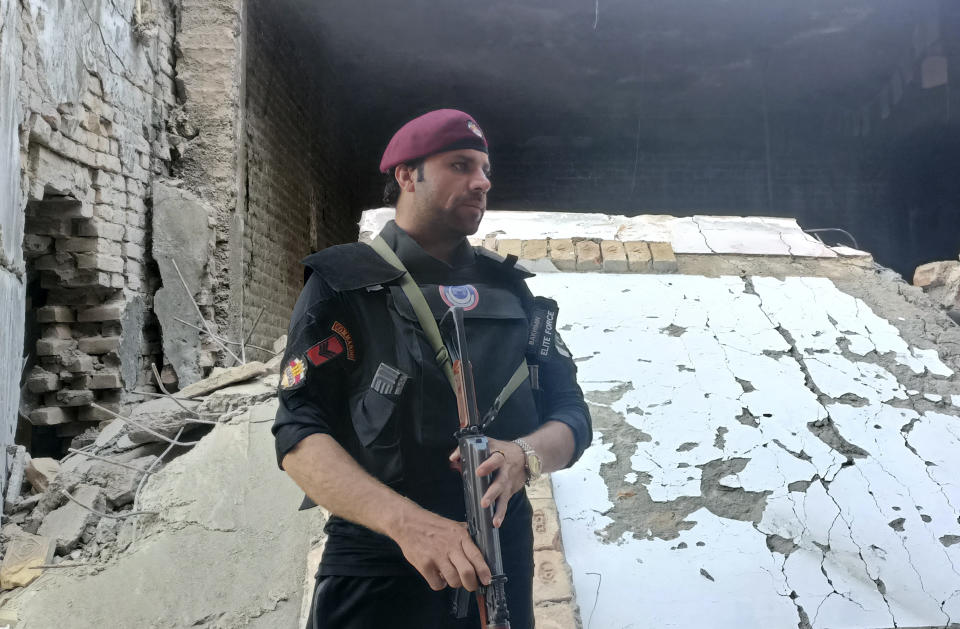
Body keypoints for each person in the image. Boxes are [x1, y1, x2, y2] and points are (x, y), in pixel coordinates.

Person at [272, 109, 591, 629]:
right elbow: (297, 432)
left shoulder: (510, 289)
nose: (482, 182)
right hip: (380, 567)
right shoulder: (344, 283)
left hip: (499, 561)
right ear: (406, 175)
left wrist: (523, 457)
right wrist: (408, 525)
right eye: (461, 165)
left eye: (485, 170)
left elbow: (572, 413)